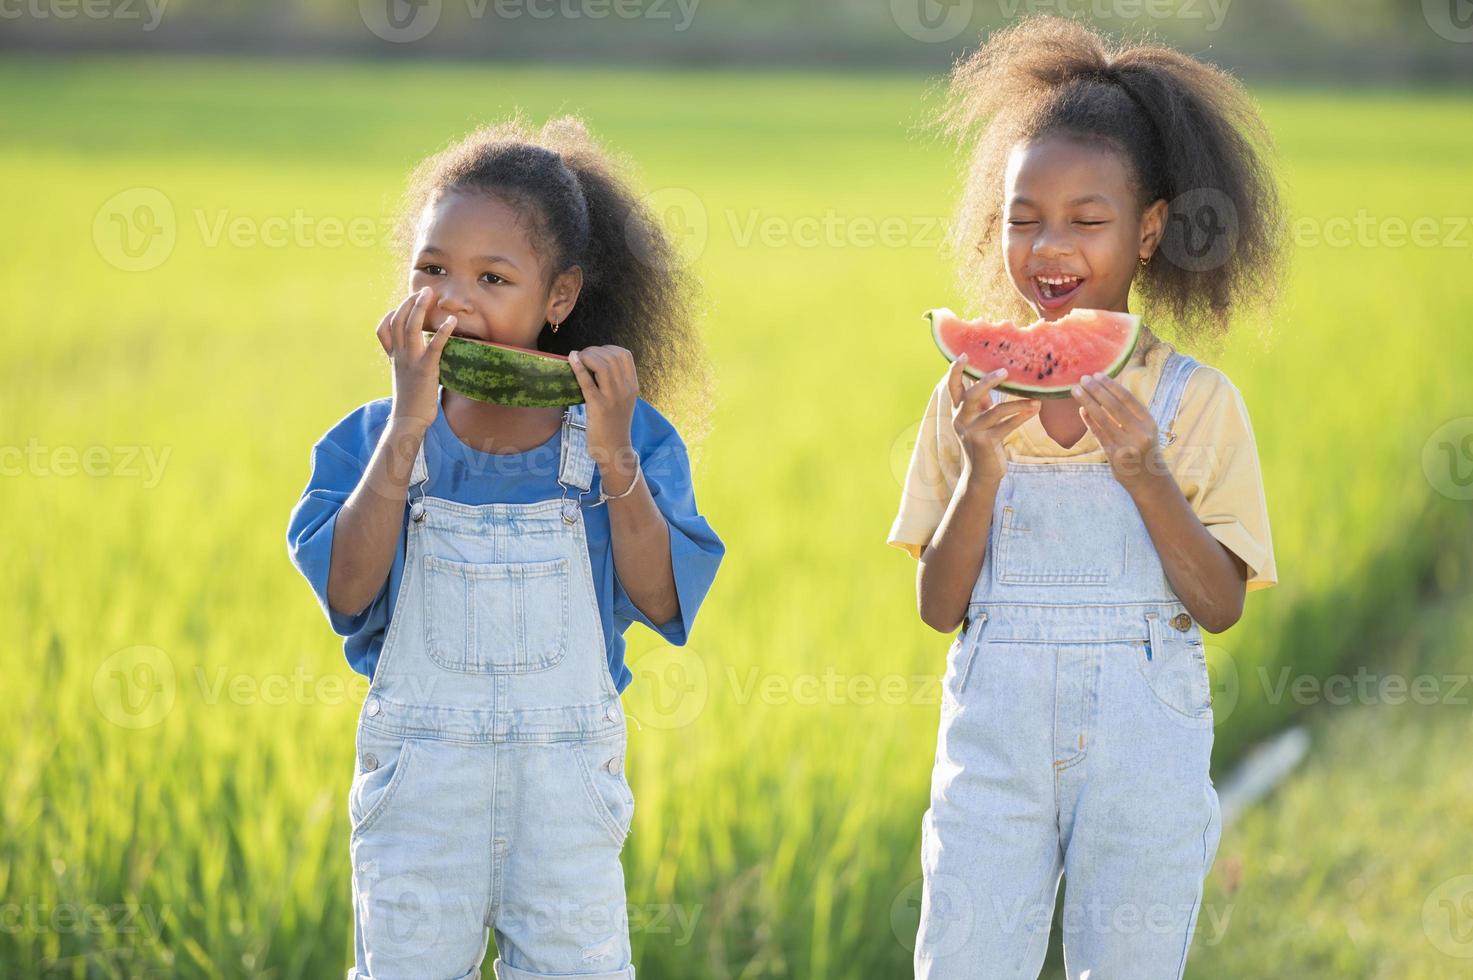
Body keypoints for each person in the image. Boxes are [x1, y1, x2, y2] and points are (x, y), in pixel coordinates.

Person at [887, 16, 1285, 978]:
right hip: (993, 755)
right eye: (1024, 217)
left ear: (1148, 229)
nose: (1048, 246)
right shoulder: (968, 398)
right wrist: (980, 471)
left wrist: (1145, 471)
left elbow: (1219, 605)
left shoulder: (1198, 404)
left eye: (1085, 218)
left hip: (1143, 754)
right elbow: (940, 607)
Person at [285, 115, 724, 980]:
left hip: (565, 796)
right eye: (432, 269)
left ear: (556, 299)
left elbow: (664, 599)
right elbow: (346, 592)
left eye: (493, 277)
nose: (453, 298)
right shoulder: (368, 439)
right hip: (419, 794)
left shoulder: (625, 437)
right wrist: (407, 426)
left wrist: (614, 455)